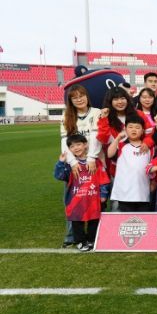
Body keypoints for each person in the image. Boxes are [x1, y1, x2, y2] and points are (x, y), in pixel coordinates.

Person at [60, 84, 102, 247]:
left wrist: (91, 157)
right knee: (72, 199)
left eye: (81, 96)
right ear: (70, 101)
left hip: (94, 163)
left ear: (87, 96)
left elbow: (97, 137)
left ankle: (94, 235)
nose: (79, 99)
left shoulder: (96, 112)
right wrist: (72, 162)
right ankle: (72, 236)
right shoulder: (67, 116)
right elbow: (64, 142)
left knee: (95, 198)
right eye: (74, 97)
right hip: (75, 166)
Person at [54, 135, 110, 251]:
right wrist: (60, 163)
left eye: (78, 144)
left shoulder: (95, 162)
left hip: (93, 199)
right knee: (77, 222)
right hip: (76, 200)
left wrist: (103, 194)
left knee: (94, 220)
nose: (76, 148)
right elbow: (59, 176)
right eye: (72, 146)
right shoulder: (70, 165)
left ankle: (91, 240)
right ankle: (80, 241)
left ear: (85, 145)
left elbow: (103, 179)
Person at [98, 87, 154, 178]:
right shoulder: (106, 118)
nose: (120, 102)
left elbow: (151, 133)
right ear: (110, 102)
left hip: (140, 161)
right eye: (116, 99)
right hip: (118, 166)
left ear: (127, 99)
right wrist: (103, 119)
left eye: (122, 98)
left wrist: (147, 142)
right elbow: (104, 139)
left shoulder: (139, 114)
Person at [107, 115, 154, 212]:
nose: (134, 130)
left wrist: (154, 182)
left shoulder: (148, 147)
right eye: (130, 127)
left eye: (137, 127)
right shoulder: (121, 145)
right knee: (126, 219)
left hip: (143, 192)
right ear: (125, 129)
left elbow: (152, 166)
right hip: (125, 193)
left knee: (143, 219)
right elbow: (109, 154)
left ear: (143, 131)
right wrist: (117, 138)